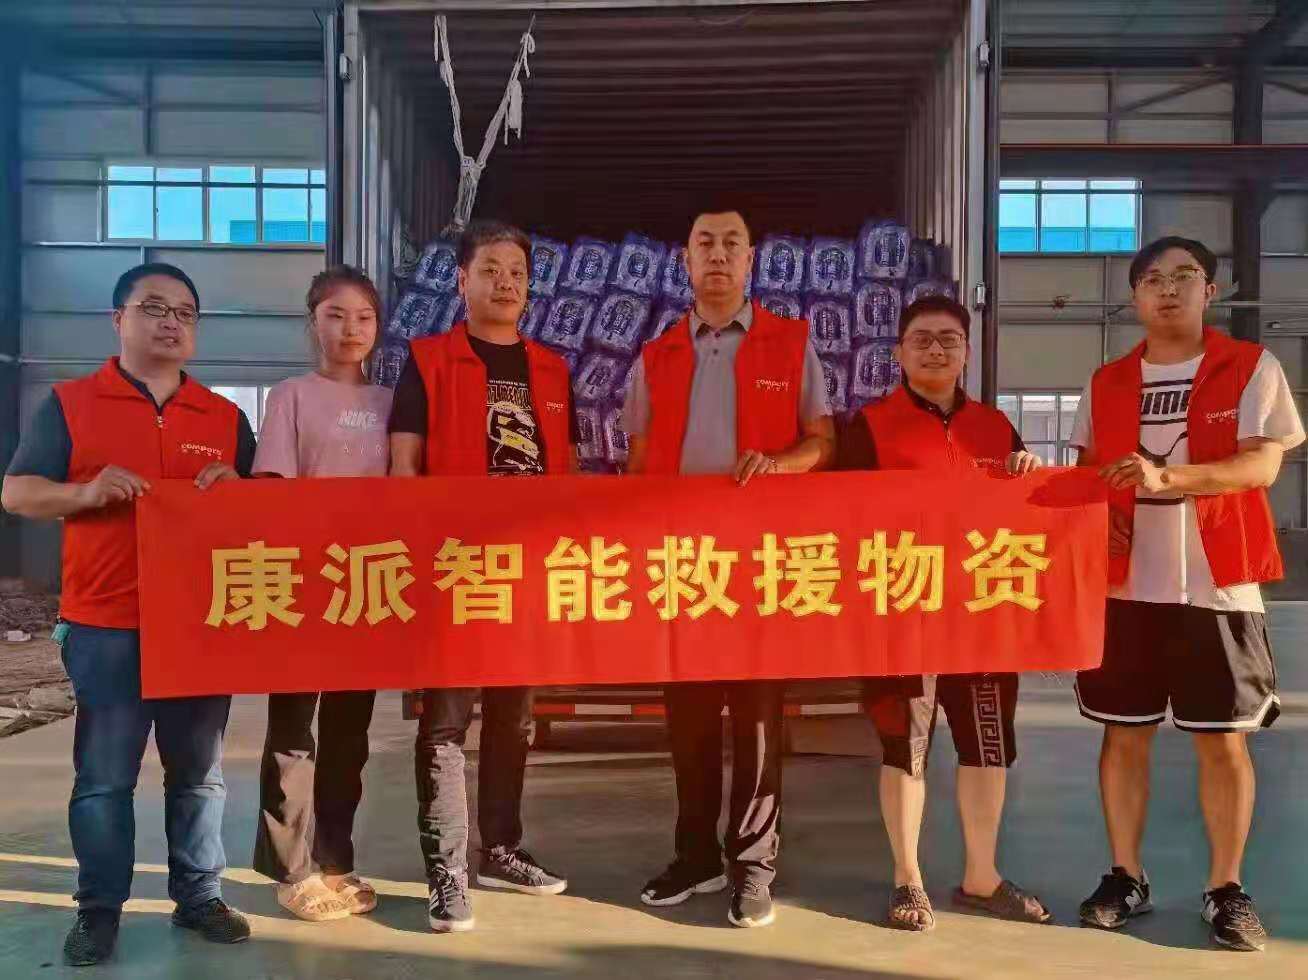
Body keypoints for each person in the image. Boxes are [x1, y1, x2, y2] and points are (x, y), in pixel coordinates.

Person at [1, 263, 255, 967]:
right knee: (105, 779)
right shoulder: (72, 404)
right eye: (153, 308)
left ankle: (199, 896)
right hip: (107, 624)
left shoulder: (224, 418)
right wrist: (85, 494)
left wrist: (238, 491)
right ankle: (99, 910)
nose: (171, 322)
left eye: (185, 312)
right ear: (118, 320)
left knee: (199, 775)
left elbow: (258, 517)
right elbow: (17, 493)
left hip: (199, 626)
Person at [1070, 236, 1304, 953]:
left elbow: (1262, 466)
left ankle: (1226, 888)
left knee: (1223, 742)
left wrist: (1169, 479)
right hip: (1126, 586)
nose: (1167, 289)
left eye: (1183, 276)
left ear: (1212, 290)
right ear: (1135, 296)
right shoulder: (1107, 382)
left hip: (1218, 584)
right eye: (1151, 279)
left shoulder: (1250, 366)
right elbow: (1086, 474)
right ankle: (1125, 876)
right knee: (1123, 733)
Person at [623, 206, 836, 929]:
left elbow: (823, 442)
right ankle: (694, 855)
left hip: (759, 567)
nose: (717, 255)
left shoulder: (790, 343)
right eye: (704, 243)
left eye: (731, 244)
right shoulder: (657, 355)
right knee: (686, 721)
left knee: (756, 719)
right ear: (685, 261)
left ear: (751, 261)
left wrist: (779, 465)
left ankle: (753, 864)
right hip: (680, 566)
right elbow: (637, 458)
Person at [837, 295, 1051, 933]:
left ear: (966, 352)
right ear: (899, 353)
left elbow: (1027, 512)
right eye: (922, 339)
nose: (936, 349)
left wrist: (1028, 475)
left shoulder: (995, 427)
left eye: (948, 340)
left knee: (987, 746)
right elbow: (840, 517)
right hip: (904, 612)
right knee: (905, 748)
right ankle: (908, 878)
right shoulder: (868, 427)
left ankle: (982, 877)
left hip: (983, 615)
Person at [388, 220, 576, 933]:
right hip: (455, 573)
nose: (506, 283)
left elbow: (566, 473)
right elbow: (404, 469)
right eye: (491, 269)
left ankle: (500, 848)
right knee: (444, 725)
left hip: (525, 575)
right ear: (462, 279)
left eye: (517, 272)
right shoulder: (428, 360)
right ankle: (447, 872)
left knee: (514, 719)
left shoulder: (551, 370)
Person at [250, 265, 392, 922]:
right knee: (293, 733)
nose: (350, 328)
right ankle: (292, 870)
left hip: (368, 586)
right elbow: (273, 491)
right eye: (335, 314)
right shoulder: (291, 397)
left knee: (347, 734)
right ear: (313, 323)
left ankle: (335, 860)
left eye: (363, 316)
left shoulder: (391, 404)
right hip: (304, 585)